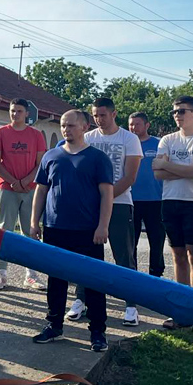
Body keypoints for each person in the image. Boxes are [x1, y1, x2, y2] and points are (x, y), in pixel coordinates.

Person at [30, 110, 114, 352]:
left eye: (71, 125)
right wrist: (34, 223)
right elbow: (41, 191)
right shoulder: (51, 156)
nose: (66, 129)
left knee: (93, 281)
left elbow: (107, 194)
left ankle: (97, 331)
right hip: (55, 228)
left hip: (88, 230)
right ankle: (54, 325)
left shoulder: (97, 158)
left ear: (85, 127)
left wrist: (103, 225)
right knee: (56, 279)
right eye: (63, 125)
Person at [67, 97, 142, 327]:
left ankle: (131, 305)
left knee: (124, 256)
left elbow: (129, 177)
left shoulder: (129, 139)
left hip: (120, 204)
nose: (99, 119)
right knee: (86, 255)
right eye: (95, 115)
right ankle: (81, 299)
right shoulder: (88, 138)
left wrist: (106, 199)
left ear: (113, 114)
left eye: (103, 115)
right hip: (89, 206)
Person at [154, 95, 193, 327]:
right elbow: (157, 173)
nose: (177, 116)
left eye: (182, 111)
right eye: (174, 112)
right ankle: (181, 311)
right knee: (178, 256)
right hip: (170, 201)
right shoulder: (167, 140)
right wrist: (182, 169)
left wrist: (167, 165)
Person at [0, 98, 47, 291]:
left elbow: (40, 164)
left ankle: (31, 274)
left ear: (27, 113)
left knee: (30, 231)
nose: (15, 114)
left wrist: (25, 181)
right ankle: (1, 273)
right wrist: (13, 181)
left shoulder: (36, 135)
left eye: (19, 111)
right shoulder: (0, 133)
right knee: (4, 230)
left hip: (30, 189)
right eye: (13, 111)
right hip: (7, 188)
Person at [128, 111, 166, 279]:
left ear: (147, 125)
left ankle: (156, 274)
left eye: (137, 124)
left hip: (155, 199)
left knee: (156, 240)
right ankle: (132, 275)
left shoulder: (159, 144)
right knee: (131, 241)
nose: (133, 127)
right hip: (131, 200)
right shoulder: (127, 143)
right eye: (131, 124)